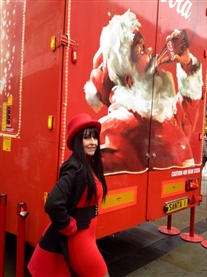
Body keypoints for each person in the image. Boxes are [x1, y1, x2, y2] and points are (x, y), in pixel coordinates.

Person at [84, 10, 203, 174]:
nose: (150, 51)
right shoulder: (109, 132)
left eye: (144, 45)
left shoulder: (166, 114)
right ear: (130, 80)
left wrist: (188, 64)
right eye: (140, 51)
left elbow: (189, 107)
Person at [28, 113, 110, 277]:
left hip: (87, 238)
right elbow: (53, 203)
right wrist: (68, 226)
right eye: (87, 138)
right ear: (78, 141)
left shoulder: (88, 164)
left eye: (94, 138)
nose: (93, 142)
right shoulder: (75, 168)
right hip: (80, 243)